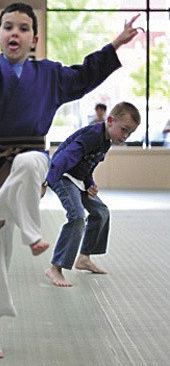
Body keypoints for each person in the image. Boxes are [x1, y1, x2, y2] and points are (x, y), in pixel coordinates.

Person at [0, 0, 141, 358]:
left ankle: (33, 232)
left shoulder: (50, 75)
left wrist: (116, 42)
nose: (14, 33)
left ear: (34, 39)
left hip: (33, 156)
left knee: (32, 163)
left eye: (22, 28)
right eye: (7, 27)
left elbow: (85, 74)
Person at [45, 102, 140, 287]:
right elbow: (65, 158)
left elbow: (88, 165)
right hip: (62, 176)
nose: (125, 136)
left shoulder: (106, 141)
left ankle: (84, 257)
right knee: (77, 216)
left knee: (101, 212)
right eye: (124, 130)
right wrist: (47, 181)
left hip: (78, 180)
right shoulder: (93, 135)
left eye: (130, 133)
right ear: (111, 121)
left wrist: (90, 184)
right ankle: (55, 268)